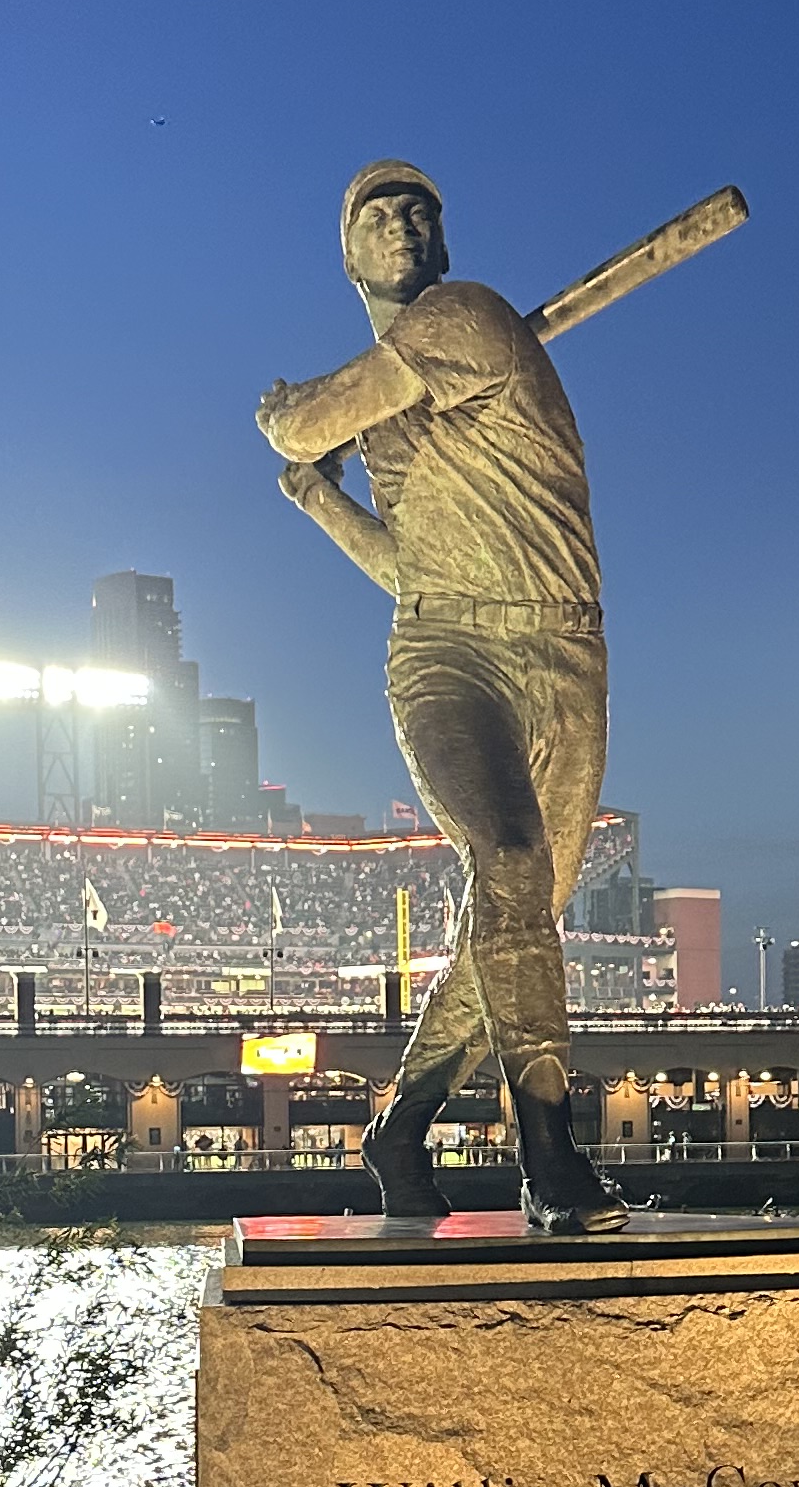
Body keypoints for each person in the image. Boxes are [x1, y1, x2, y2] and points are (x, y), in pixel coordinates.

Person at [255, 162, 624, 1230]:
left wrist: (290, 422)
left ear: (448, 245)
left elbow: (296, 421)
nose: (407, 223)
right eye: (380, 213)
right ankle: (549, 1158)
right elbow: (417, 571)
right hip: (447, 654)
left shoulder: (465, 317)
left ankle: (401, 1126)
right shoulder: (393, 408)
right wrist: (327, 504)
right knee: (509, 865)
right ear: (351, 253)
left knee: (515, 921)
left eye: (423, 209)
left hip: (564, 651)